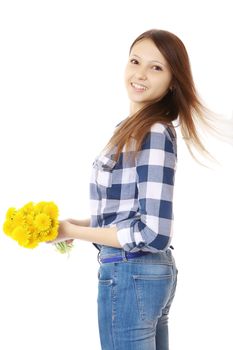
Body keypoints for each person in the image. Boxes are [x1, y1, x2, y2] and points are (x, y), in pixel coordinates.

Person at [51, 29, 230, 350]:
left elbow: (153, 233)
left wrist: (73, 232)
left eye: (156, 67)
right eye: (135, 61)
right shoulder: (131, 129)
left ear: (174, 80)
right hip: (139, 273)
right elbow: (126, 214)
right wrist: (73, 226)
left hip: (131, 271)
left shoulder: (154, 132)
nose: (140, 74)